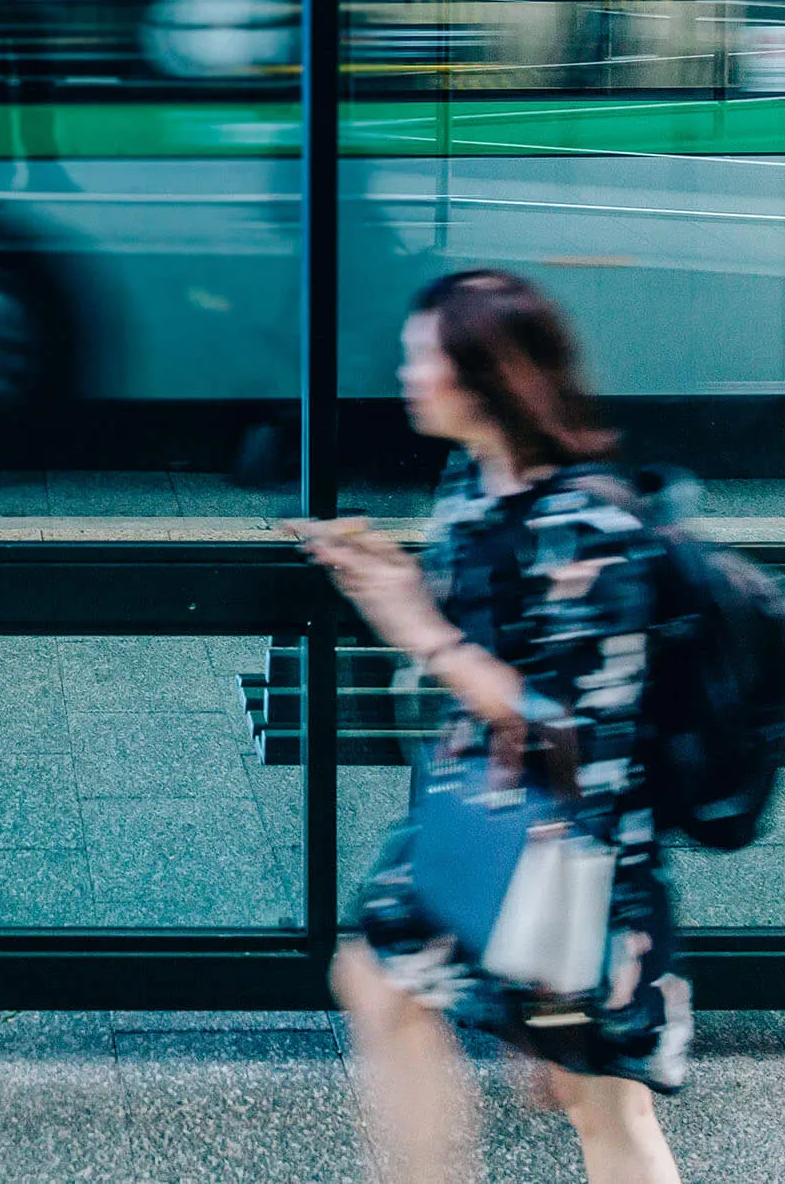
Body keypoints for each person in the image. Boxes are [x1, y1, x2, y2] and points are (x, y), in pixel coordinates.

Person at [300, 269, 686, 1184]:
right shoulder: (478, 483)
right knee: (381, 983)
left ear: (489, 376)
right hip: (493, 829)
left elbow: (565, 725)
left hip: (569, 855)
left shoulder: (585, 525)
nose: (406, 373)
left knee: (610, 1113)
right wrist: (396, 582)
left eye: (424, 357)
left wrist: (418, 626)